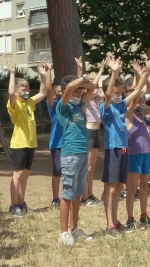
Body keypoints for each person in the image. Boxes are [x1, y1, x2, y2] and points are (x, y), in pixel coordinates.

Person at [100, 56, 149, 237]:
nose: (118, 94)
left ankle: (115, 220)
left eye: (120, 92)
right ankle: (109, 224)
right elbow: (107, 95)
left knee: (119, 187)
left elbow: (135, 93)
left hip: (123, 148)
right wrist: (114, 72)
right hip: (113, 148)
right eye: (115, 91)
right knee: (111, 188)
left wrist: (145, 75)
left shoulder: (120, 106)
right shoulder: (105, 107)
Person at [56, 73, 95, 245]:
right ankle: (63, 232)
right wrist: (83, 78)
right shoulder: (63, 106)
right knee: (67, 194)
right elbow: (71, 88)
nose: (79, 94)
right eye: (76, 92)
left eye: (81, 92)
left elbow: (92, 88)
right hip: (70, 154)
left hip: (82, 153)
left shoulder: (79, 106)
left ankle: (74, 227)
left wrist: (84, 84)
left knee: (78, 194)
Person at [7, 62, 47, 216]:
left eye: (28, 89)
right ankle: (13, 205)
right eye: (24, 90)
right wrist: (12, 73)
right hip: (19, 144)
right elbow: (10, 92)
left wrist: (42, 76)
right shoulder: (14, 103)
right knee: (17, 175)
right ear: (17, 91)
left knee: (25, 175)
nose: (27, 92)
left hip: (30, 143)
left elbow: (42, 93)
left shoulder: (29, 102)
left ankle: (21, 202)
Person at [125, 73, 150, 228]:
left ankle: (143, 215)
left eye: (142, 101)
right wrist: (139, 87)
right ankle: (130, 217)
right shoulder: (127, 116)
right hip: (133, 155)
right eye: (138, 100)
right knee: (132, 189)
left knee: (145, 186)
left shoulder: (141, 114)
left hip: (146, 154)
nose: (141, 103)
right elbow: (131, 104)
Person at [80, 59, 106, 206]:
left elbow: (104, 92)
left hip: (96, 133)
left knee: (93, 168)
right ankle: (85, 196)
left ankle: (90, 194)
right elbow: (92, 86)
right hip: (89, 132)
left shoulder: (96, 101)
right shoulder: (85, 100)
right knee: (88, 167)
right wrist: (100, 70)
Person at [45, 63, 63, 207]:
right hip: (57, 143)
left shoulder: (70, 104)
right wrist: (49, 71)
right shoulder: (54, 105)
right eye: (58, 91)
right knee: (57, 171)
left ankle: (69, 195)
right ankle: (55, 198)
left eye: (61, 90)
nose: (60, 92)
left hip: (70, 142)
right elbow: (48, 89)